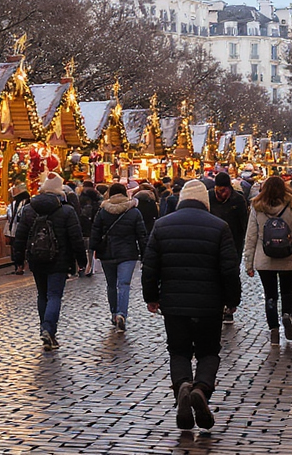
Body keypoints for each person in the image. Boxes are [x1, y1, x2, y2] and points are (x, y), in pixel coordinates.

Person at [143, 180, 240, 431]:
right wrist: (232, 300)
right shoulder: (220, 226)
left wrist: (151, 297)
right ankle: (201, 388)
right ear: (205, 202)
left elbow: (150, 266)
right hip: (209, 302)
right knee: (209, 351)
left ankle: (183, 386)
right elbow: (229, 269)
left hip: (174, 303)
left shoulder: (162, 225)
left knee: (179, 351)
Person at [11, 172, 85, 350]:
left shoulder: (29, 208)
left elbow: (19, 236)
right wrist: (82, 261)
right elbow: (76, 237)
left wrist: (18, 260)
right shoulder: (67, 210)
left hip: (36, 258)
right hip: (59, 259)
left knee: (42, 295)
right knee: (54, 295)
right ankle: (49, 329)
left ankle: (45, 328)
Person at [242, 176, 292, 346]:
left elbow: (250, 236)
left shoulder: (257, 207)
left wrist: (248, 263)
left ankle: (273, 329)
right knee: (287, 292)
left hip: (265, 257)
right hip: (289, 256)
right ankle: (287, 314)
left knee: (270, 295)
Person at [89, 183, 148, 332]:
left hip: (107, 253)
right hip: (127, 254)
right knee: (124, 284)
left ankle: (114, 313)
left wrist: (95, 249)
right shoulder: (133, 212)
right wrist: (145, 254)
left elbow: (95, 233)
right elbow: (141, 235)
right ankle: (122, 314)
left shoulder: (103, 211)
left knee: (111, 285)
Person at [207, 172, 250, 324]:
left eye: (223, 190)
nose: (220, 194)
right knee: (213, 274)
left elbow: (244, 224)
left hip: (233, 244)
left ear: (229, 188)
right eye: (218, 190)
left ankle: (229, 307)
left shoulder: (238, 200)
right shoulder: (209, 197)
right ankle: (216, 305)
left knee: (230, 275)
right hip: (211, 243)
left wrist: (241, 245)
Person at [77, 181, 103, 276]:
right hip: (94, 223)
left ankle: (84, 266)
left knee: (84, 246)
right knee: (91, 247)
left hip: (83, 224)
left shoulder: (80, 197)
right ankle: (90, 267)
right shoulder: (97, 196)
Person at [5, 183, 31, 274]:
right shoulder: (27, 203)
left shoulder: (14, 204)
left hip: (15, 229)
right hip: (22, 228)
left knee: (17, 248)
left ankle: (19, 266)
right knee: (21, 247)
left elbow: (9, 216)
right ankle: (22, 265)